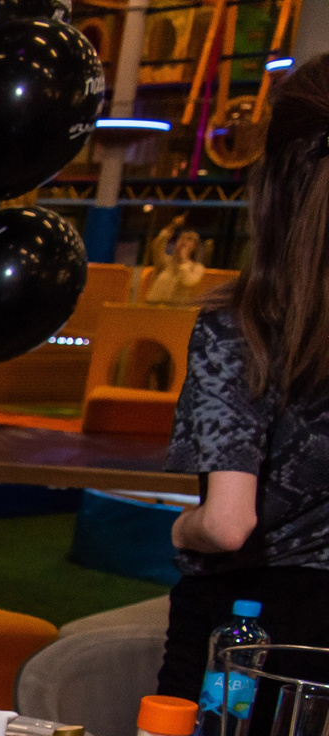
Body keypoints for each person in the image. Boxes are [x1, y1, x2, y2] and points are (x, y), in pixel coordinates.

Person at [164, 54, 329, 695]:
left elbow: (227, 525)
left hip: (249, 631)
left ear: (272, 182)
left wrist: (180, 529)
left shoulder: (241, 327)